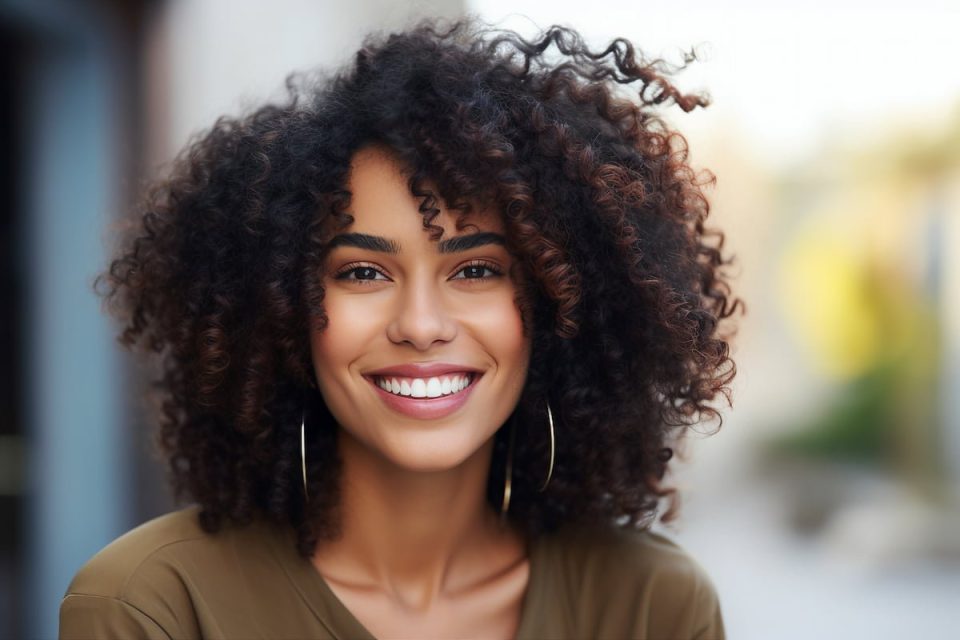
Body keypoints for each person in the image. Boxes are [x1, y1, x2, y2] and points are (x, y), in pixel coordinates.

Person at [60, 18, 740, 639]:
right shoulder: (152, 605)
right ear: (280, 312)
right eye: (362, 273)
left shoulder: (650, 604)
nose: (421, 325)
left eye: (476, 271)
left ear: (562, 307)